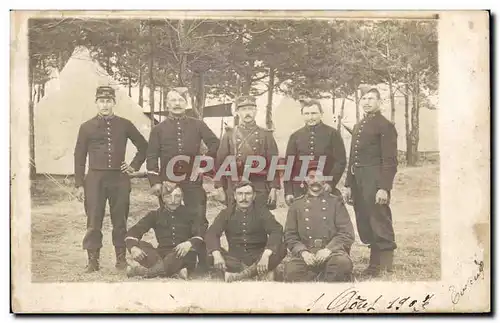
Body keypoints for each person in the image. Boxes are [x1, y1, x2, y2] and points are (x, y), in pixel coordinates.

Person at [74, 85, 148, 273]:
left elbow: (143, 146)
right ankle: (93, 260)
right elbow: (79, 157)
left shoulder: (125, 124)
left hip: (119, 178)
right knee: (93, 220)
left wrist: (133, 166)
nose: (105, 104)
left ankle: (121, 259)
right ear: (96, 103)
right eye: (101, 101)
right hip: (95, 180)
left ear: (114, 102)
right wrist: (79, 184)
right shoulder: (86, 127)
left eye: (108, 101)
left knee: (120, 219)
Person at [146, 87, 220, 272]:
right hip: (167, 183)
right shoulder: (158, 129)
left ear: (186, 104)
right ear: (167, 104)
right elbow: (152, 156)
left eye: (181, 100)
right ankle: (173, 262)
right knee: (171, 220)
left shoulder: (198, 124)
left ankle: (201, 263)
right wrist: (155, 182)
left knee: (199, 219)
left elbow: (215, 144)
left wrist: (203, 163)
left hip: (193, 181)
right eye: (173, 100)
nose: (177, 104)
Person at [344, 87, 398, 278]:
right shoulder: (359, 125)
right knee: (365, 220)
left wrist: (384, 188)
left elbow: (390, 160)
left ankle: (385, 265)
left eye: (371, 99)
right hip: (359, 181)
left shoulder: (385, 126)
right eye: (364, 99)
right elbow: (352, 158)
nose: (367, 102)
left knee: (379, 219)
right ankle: (374, 264)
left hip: (375, 181)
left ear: (379, 102)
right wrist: (349, 185)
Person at [283, 163, 355, 282]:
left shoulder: (336, 202)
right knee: (291, 271)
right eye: (311, 177)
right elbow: (290, 235)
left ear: (324, 181)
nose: (315, 180)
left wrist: (328, 250)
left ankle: (321, 280)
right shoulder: (296, 205)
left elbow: (347, 233)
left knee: (341, 264)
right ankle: (322, 278)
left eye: (319, 177)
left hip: (332, 253)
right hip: (307, 254)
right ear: (306, 180)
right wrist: (303, 252)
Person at [205, 181, 286, 282]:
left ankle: (239, 276)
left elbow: (276, 230)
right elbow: (212, 233)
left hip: (259, 258)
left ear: (254, 195)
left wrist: (266, 254)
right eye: (240, 194)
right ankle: (257, 273)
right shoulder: (226, 213)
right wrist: (216, 254)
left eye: (248, 194)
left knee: (282, 247)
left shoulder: (262, 212)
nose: (244, 198)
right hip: (235, 259)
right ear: (235, 196)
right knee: (208, 250)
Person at [125, 184, 206, 279]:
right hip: (160, 255)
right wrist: (133, 248)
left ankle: (141, 271)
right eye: (168, 196)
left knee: (179, 256)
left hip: (183, 253)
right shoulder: (155, 215)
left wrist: (189, 243)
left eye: (177, 196)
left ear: (182, 197)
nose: (173, 201)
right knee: (140, 244)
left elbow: (201, 233)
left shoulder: (192, 214)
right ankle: (174, 271)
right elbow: (133, 232)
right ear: (163, 198)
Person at [214, 95, 280, 210]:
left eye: (251, 109)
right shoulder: (229, 135)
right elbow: (220, 163)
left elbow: (273, 164)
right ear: (237, 112)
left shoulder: (266, 135)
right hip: (235, 186)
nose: (247, 113)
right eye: (243, 109)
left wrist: (273, 188)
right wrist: (219, 187)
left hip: (259, 186)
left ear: (255, 111)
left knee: (260, 222)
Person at [284, 99, 346, 206]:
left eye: (314, 113)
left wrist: (330, 183)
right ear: (302, 115)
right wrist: (288, 191)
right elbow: (289, 165)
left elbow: (340, 161)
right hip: (301, 188)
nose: (310, 117)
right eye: (306, 114)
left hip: (325, 187)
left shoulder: (332, 134)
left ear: (321, 114)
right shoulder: (295, 136)